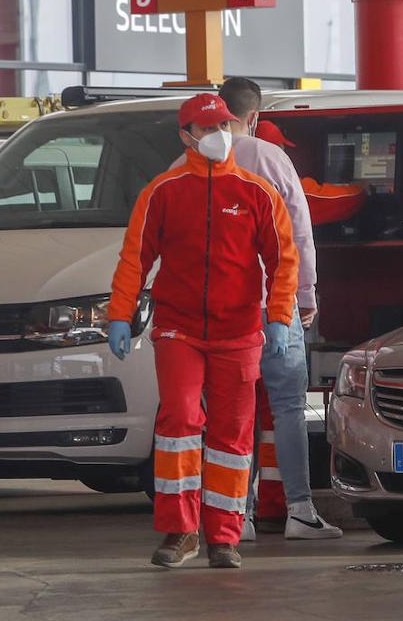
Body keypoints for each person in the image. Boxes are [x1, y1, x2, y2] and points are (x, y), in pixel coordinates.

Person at [106, 92, 299, 570]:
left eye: (225, 126)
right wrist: (118, 314)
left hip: (239, 334)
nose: (219, 136)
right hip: (179, 330)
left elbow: (284, 262)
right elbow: (135, 258)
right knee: (178, 422)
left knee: (233, 438)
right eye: (208, 128)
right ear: (186, 137)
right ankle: (180, 532)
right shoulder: (163, 192)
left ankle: (225, 538)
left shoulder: (258, 193)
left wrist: (277, 318)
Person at [173, 78, 342, 541]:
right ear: (253, 117)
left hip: (212, 316)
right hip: (275, 306)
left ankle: (239, 518)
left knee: (231, 415)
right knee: (288, 408)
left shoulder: (183, 165)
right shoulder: (271, 158)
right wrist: (306, 296)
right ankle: (300, 512)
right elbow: (299, 235)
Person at [254, 120, 366, 226]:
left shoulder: (244, 179)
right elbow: (330, 200)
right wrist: (360, 190)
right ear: (274, 151)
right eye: (281, 148)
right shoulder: (284, 188)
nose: (285, 153)